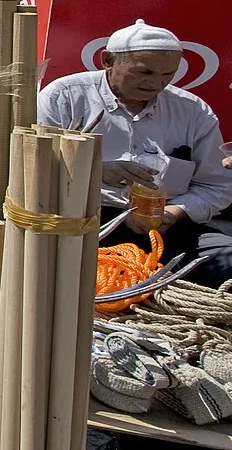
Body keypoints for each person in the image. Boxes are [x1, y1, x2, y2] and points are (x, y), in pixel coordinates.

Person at [38, 18, 232, 286]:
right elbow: (33, 165)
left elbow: (216, 186)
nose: (156, 84)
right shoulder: (66, 97)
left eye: (168, 75)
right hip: (83, 220)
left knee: (227, 259)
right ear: (108, 60)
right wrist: (94, 171)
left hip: (166, 222)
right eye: (144, 72)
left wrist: (175, 213)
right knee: (75, 276)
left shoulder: (192, 111)